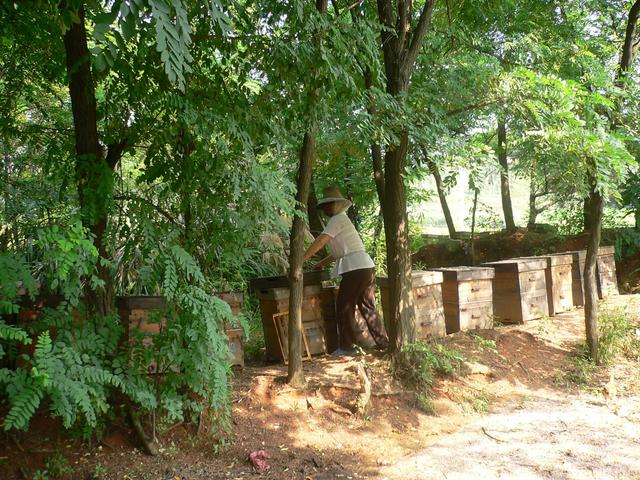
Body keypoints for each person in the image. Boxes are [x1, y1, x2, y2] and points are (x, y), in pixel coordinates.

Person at [303, 186, 389, 356]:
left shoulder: (337, 219)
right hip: (365, 267)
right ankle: (384, 344)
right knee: (367, 307)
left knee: (344, 306)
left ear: (337, 205)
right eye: (324, 206)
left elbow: (321, 241)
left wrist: (301, 259)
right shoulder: (341, 220)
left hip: (356, 270)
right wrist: (320, 263)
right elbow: (339, 252)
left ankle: (347, 348)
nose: (326, 209)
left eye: (329, 205)